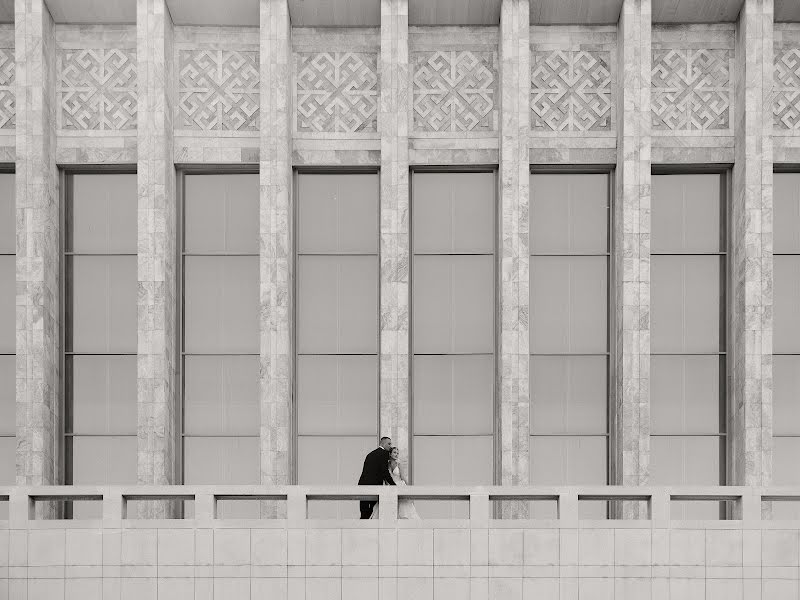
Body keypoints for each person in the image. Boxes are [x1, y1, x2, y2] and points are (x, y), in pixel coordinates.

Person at [370, 446, 419, 520]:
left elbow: (403, 477)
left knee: (403, 508)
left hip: (399, 485)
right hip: (389, 487)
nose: (396, 454)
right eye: (394, 452)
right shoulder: (386, 464)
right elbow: (386, 478)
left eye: (397, 453)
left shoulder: (399, 464)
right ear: (390, 454)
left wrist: (409, 488)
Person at [357, 436, 395, 519]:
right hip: (374, 486)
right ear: (383, 443)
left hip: (363, 485)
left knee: (364, 510)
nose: (390, 446)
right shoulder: (384, 453)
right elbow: (384, 472)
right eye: (389, 444)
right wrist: (394, 485)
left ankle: (361, 528)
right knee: (373, 511)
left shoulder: (370, 454)